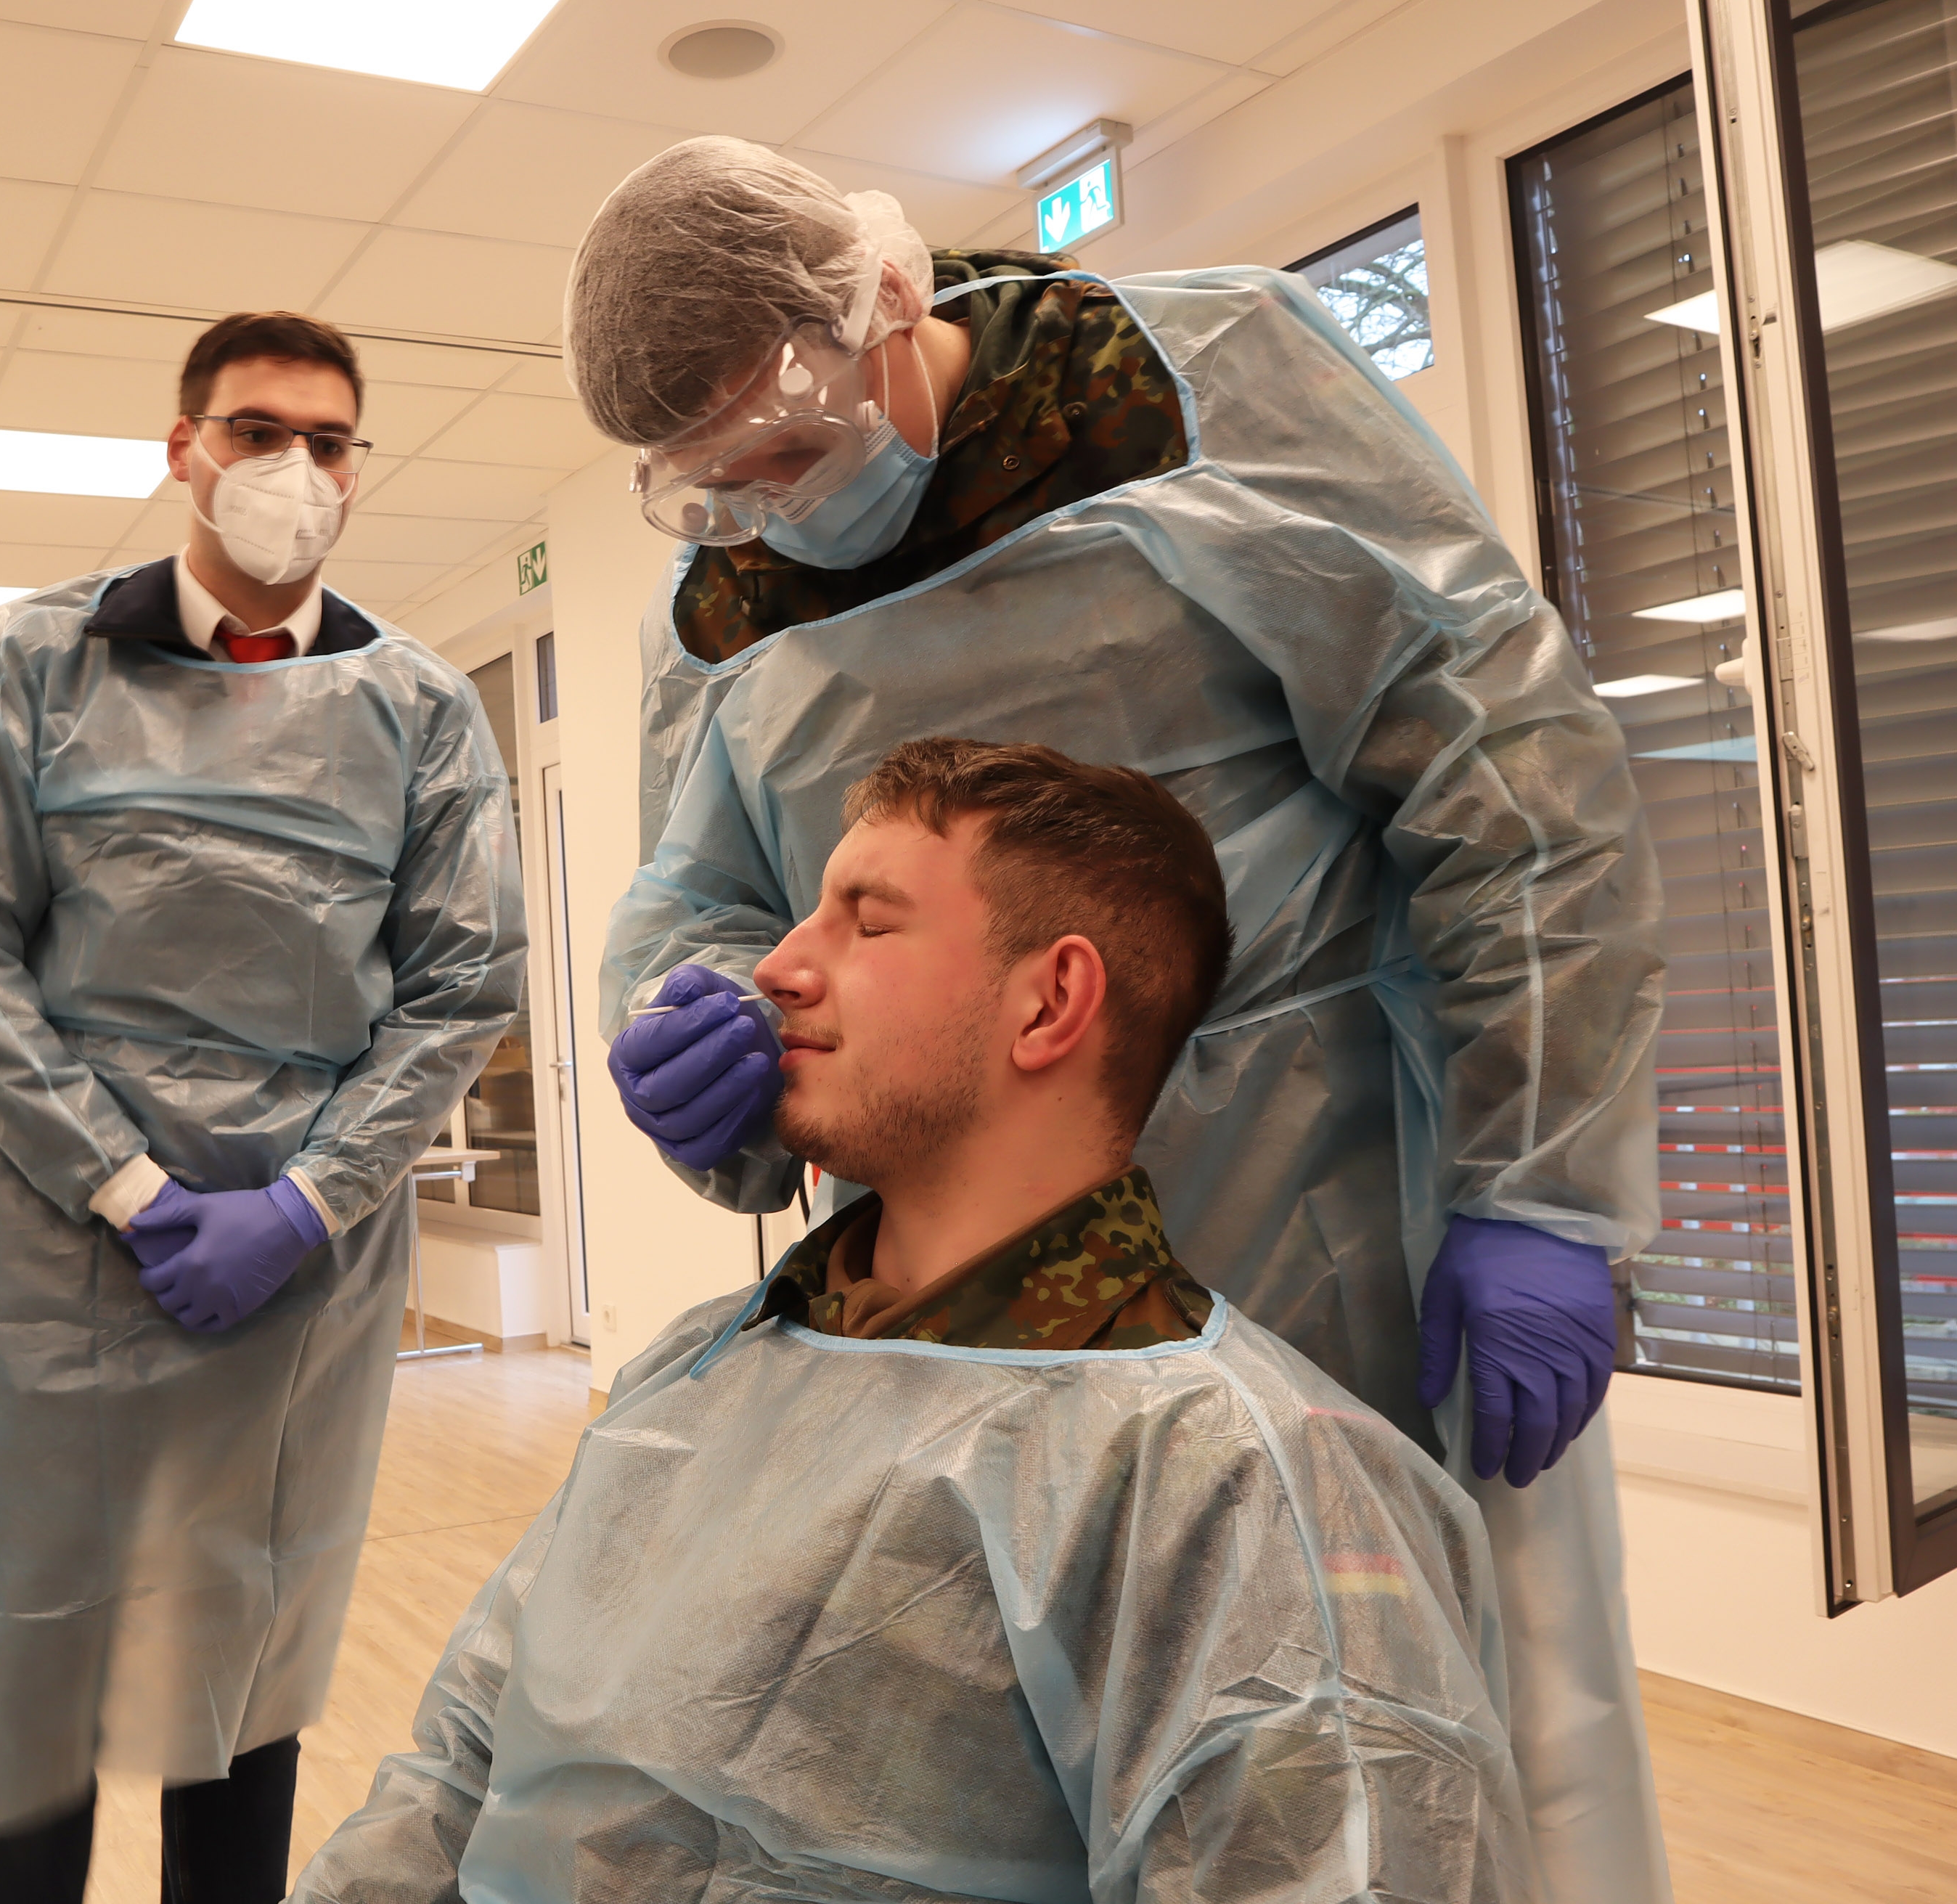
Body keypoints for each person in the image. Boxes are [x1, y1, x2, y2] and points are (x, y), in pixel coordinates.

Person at [571, 138, 1667, 1900]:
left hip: (1331, 1207)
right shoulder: (717, 607)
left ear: (889, 301)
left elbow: (1502, 762)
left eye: (791, 444)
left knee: (1409, 1713)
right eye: (722, 484)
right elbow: (695, 895)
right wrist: (691, 1023)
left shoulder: (1188, 392)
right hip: (965, 1290)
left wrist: (1541, 1179)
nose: (773, 505)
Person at [298, 738, 1541, 1903]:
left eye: (868, 920)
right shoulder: (708, 1362)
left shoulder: (1239, 1482)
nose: (777, 968)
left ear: (1050, 1004)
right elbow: (464, 1756)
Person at [0, 310, 526, 1904]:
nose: (294, 470)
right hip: (53, 1241)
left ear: (359, 473)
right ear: (181, 451)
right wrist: (126, 1186)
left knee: (240, 1669)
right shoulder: (31, 663)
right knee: (32, 1673)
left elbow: (463, 987)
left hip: (298, 1270)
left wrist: (305, 1199)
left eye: (329, 442)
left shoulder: (424, 709)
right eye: (256, 432)